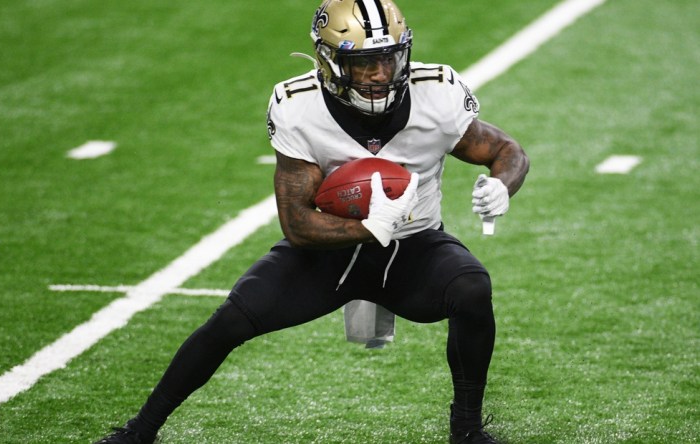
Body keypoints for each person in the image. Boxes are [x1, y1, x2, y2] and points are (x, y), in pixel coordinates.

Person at [93, 0, 529, 443]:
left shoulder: (436, 91)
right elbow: (297, 222)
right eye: (363, 63)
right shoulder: (299, 105)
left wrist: (501, 186)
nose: (380, 73)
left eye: (389, 57)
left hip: (412, 246)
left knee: (472, 288)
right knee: (233, 319)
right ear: (329, 62)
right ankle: (139, 432)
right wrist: (366, 227)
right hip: (327, 251)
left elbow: (505, 151)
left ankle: (468, 430)